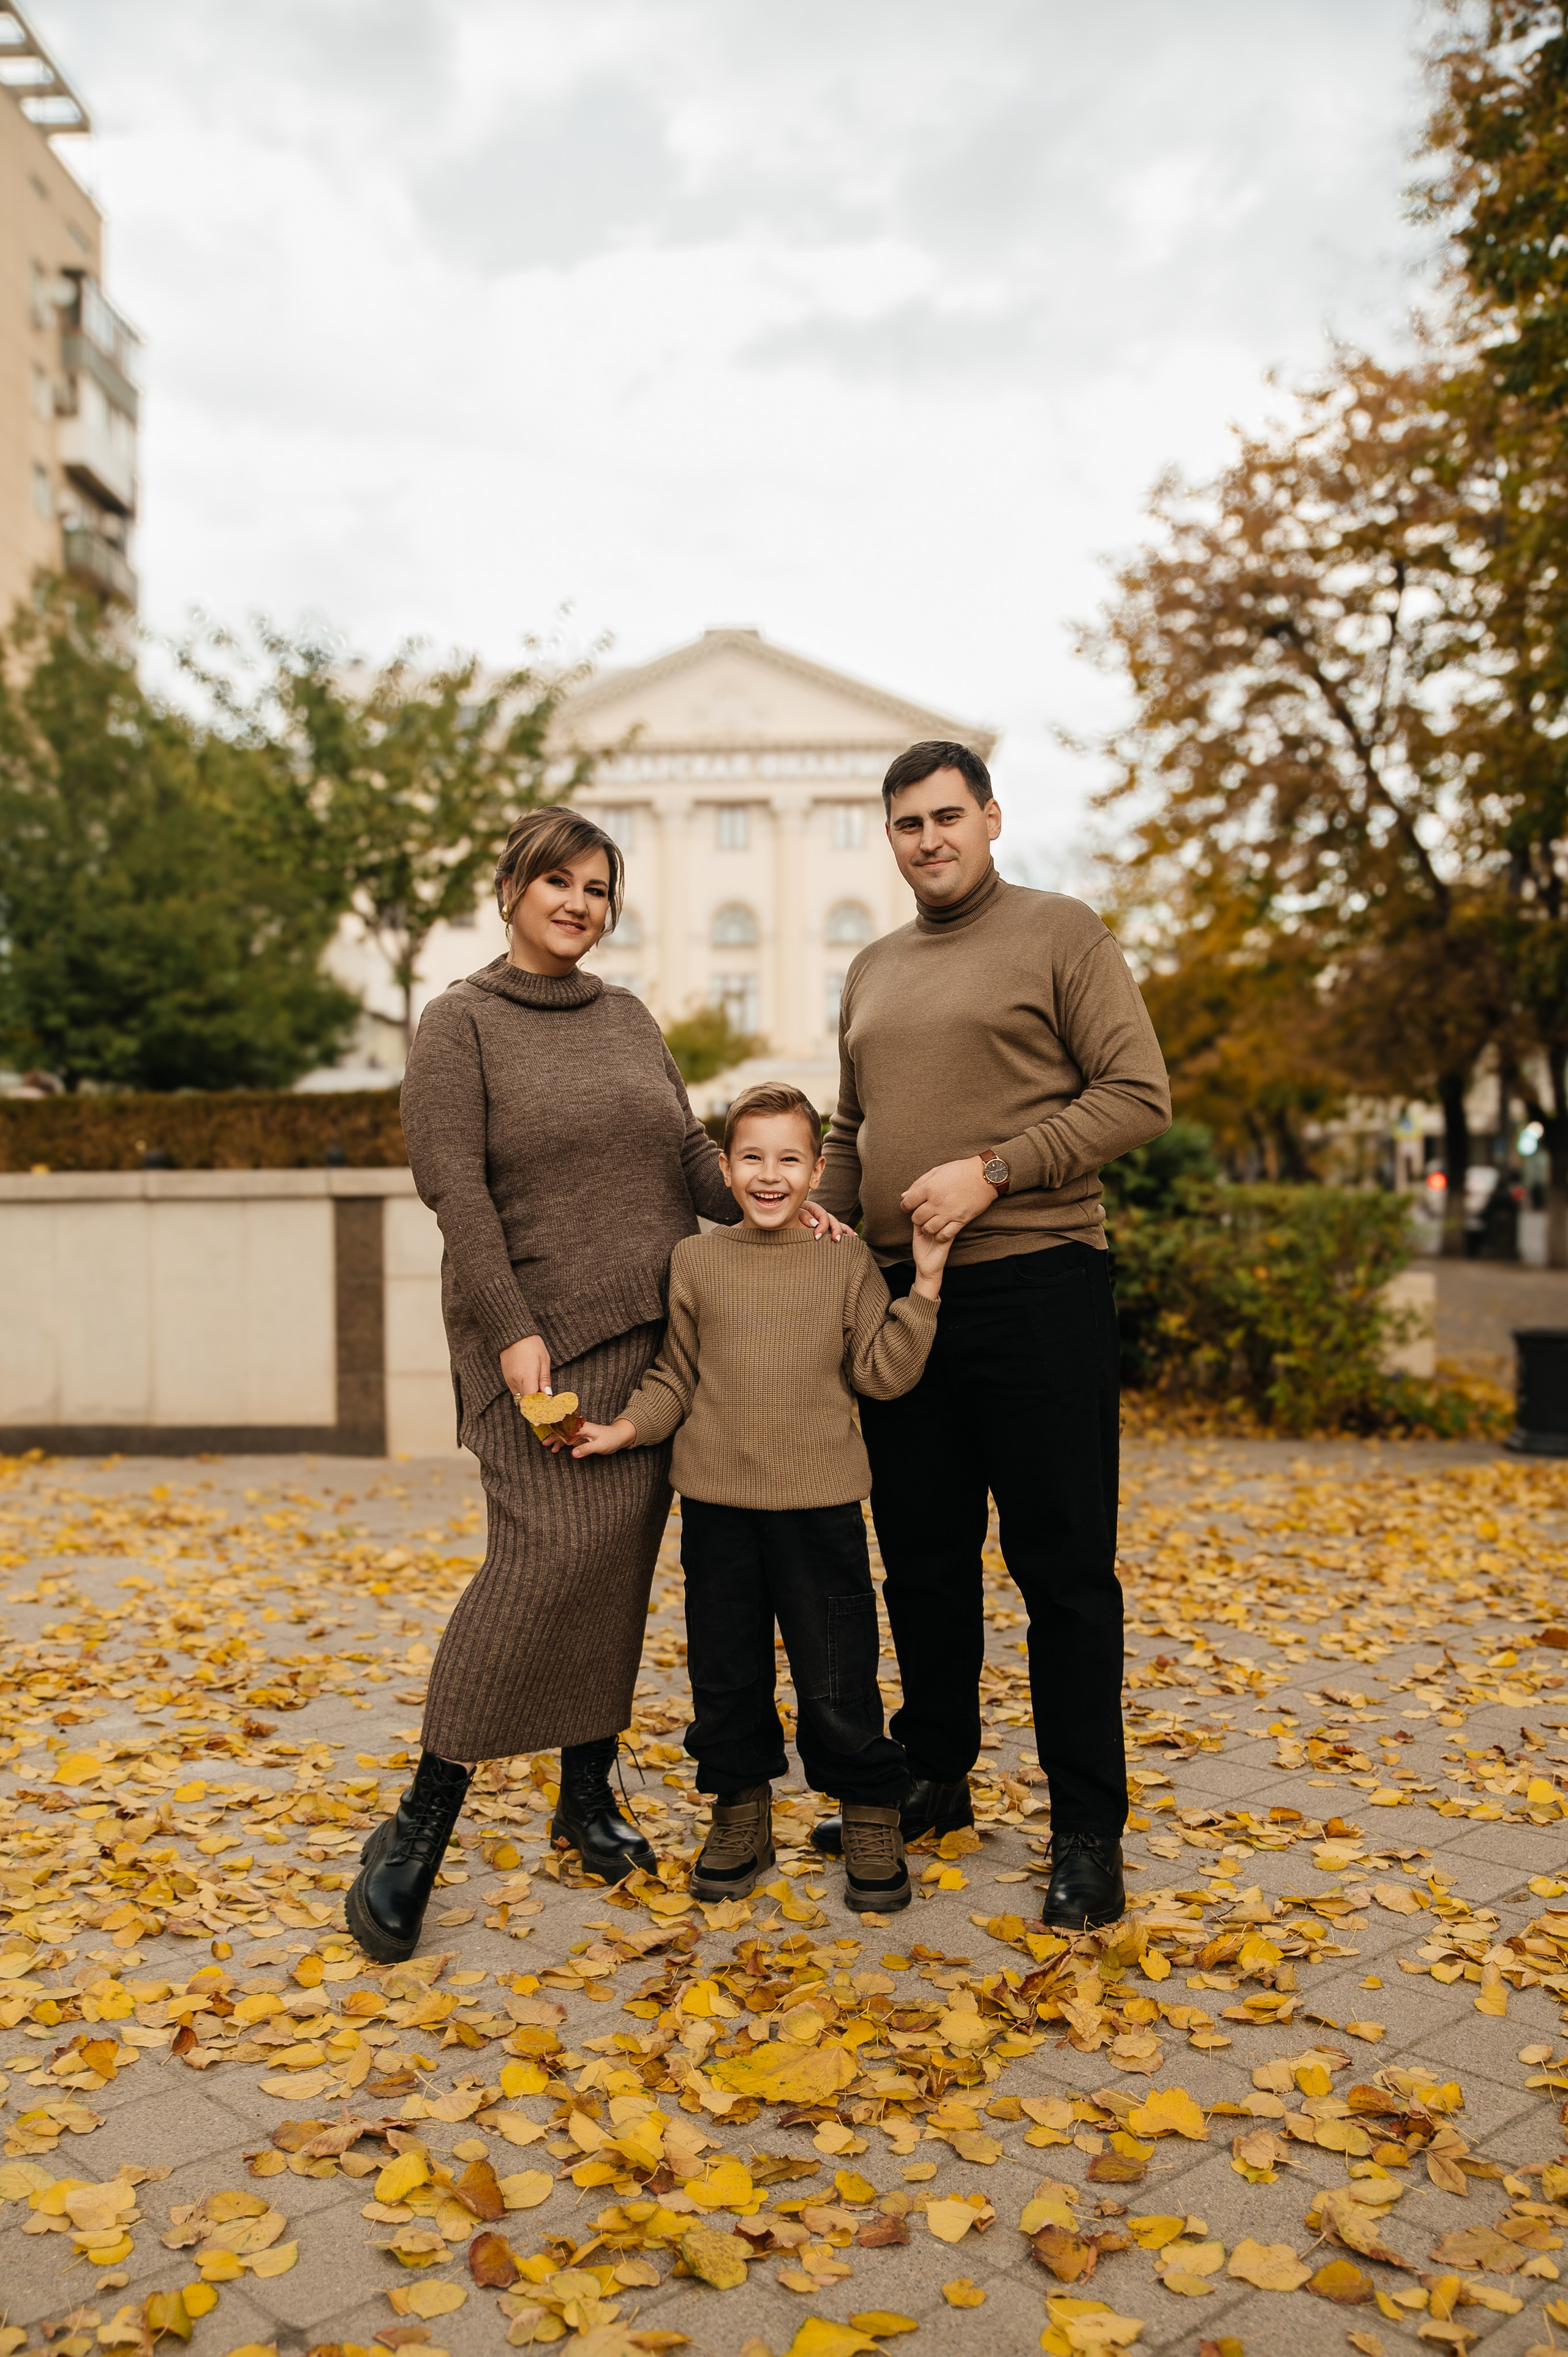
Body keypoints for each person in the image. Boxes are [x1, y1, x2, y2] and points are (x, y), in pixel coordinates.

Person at [346, 812, 842, 1965]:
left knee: (619, 1561)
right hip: (534, 1348)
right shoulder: (458, 1022)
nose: (579, 902)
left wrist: (768, 1199)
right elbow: (453, 1189)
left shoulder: (628, 1018)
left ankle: (583, 1791)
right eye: (558, 881)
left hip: (651, 1338)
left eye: (599, 888)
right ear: (511, 887)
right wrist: (514, 1330)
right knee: (543, 1561)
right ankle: (422, 1817)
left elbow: (681, 1156)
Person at [808, 742, 1171, 1932]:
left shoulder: (1061, 934)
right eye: (906, 823)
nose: (927, 838)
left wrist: (995, 1170)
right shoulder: (868, 967)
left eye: (945, 816)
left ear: (991, 818)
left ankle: (1085, 1828)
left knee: (1062, 1572)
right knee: (918, 1558)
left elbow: (1134, 1094)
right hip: (902, 1306)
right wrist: (827, 1231)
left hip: (1037, 1287)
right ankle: (934, 1775)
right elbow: (855, 1127)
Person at [570, 1081, 950, 1914]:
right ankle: (741, 1810)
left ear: (817, 1171)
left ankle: (868, 1810)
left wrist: (923, 1288)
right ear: (726, 1168)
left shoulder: (843, 1258)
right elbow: (676, 1374)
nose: (770, 1174)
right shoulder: (697, 1262)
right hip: (715, 1509)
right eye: (752, 1157)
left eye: (789, 1158)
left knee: (839, 1673)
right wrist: (625, 1430)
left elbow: (880, 1374)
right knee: (726, 1673)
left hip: (821, 1511)